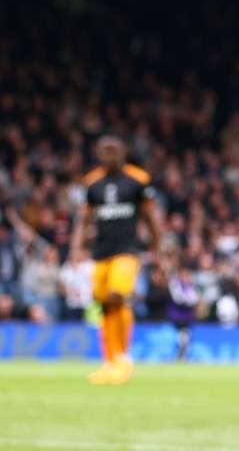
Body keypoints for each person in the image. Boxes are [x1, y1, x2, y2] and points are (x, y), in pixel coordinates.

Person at [71, 136, 165, 384]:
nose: (109, 155)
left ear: (124, 152)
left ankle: (123, 358)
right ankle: (110, 361)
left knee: (117, 295)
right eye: (104, 151)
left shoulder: (138, 179)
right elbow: (83, 220)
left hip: (127, 251)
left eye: (113, 150)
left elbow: (150, 217)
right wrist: (76, 249)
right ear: (98, 153)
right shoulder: (92, 182)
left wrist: (158, 250)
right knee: (103, 304)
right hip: (101, 251)